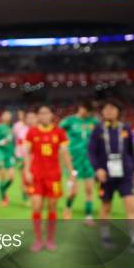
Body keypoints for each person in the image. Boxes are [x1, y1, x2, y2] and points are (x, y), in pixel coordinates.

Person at [88, 100, 134, 254]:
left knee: (131, 205)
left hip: (124, 174)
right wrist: (98, 169)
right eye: (105, 109)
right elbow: (91, 152)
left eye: (111, 108)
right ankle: (105, 238)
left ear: (118, 111)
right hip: (105, 176)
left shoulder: (125, 128)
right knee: (106, 206)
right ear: (101, 112)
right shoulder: (97, 130)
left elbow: (131, 151)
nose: (108, 111)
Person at [24, 105, 76, 252]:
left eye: (46, 113)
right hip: (37, 175)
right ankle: (38, 240)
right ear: (38, 116)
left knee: (52, 206)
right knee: (36, 205)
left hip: (54, 176)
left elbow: (65, 154)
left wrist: (71, 172)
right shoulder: (32, 132)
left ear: (51, 115)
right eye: (41, 113)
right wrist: (27, 170)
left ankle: (50, 239)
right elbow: (27, 153)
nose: (44, 115)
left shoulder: (59, 132)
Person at [59, 100, 99, 223]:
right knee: (73, 191)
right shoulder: (68, 121)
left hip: (89, 161)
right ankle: (68, 207)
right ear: (81, 108)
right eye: (86, 110)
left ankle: (88, 216)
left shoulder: (93, 122)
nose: (88, 113)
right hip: (73, 161)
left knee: (89, 189)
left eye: (90, 111)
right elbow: (57, 135)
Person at [13, 109, 37, 202]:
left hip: (37, 159)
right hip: (23, 158)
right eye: (29, 118)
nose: (31, 120)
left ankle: (31, 195)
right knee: (26, 178)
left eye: (33, 117)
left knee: (35, 179)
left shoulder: (39, 129)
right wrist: (21, 157)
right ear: (26, 119)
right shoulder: (23, 131)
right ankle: (28, 195)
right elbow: (20, 145)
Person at [0, 110, 15, 206]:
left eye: (9, 115)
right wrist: (1, 142)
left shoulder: (10, 128)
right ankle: (3, 198)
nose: (7, 116)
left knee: (11, 177)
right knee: (2, 177)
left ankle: (3, 190)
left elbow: (12, 142)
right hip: (0, 153)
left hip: (9, 155)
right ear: (2, 116)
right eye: (6, 114)